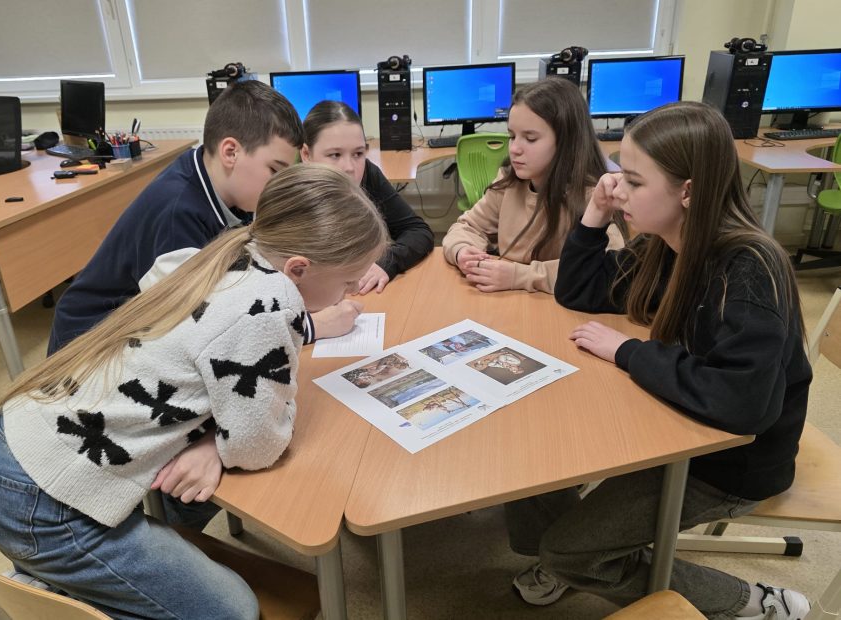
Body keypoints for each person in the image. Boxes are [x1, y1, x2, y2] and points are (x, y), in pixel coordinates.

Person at [0, 164, 389, 620]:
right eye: (347, 281)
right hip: (44, 504)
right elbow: (259, 445)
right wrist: (223, 438)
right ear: (299, 268)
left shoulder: (230, 249)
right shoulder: (269, 305)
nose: (351, 291)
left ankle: (62, 578)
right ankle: (53, 595)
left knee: (186, 497)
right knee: (234, 612)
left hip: (18, 445)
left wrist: (215, 437)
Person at [507, 102, 811, 620]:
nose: (615, 189)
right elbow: (578, 292)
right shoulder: (667, 244)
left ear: (687, 191)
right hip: (673, 421)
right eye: (618, 174)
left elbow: (743, 405)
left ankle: (752, 603)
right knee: (529, 449)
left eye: (632, 180)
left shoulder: (748, 269)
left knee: (567, 552)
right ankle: (573, 554)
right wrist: (594, 216)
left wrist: (629, 352)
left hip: (729, 463)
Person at [47, 81, 360, 357]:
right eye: (274, 170)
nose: (278, 184)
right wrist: (311, 327)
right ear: (230, 152)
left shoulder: (227, 188)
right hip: (91, 349)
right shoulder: (177, 213)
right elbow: (201, 330)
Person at [441, 77, 625, 293]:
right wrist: (462, 251)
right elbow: (467, 226)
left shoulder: (594, 196)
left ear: (566, 141)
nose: (514, 149)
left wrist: (521, 276)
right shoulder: (508, 182)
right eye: (512, 136)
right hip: (507, 300)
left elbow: (606, 270)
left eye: (530, 139)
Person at [301, 100, 434, 294]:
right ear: (306, 154)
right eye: (335, 155)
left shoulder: (369, 175)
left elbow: (418, 231)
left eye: (358, 153)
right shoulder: (289, 194)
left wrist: (386, 263)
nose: (349, 167)